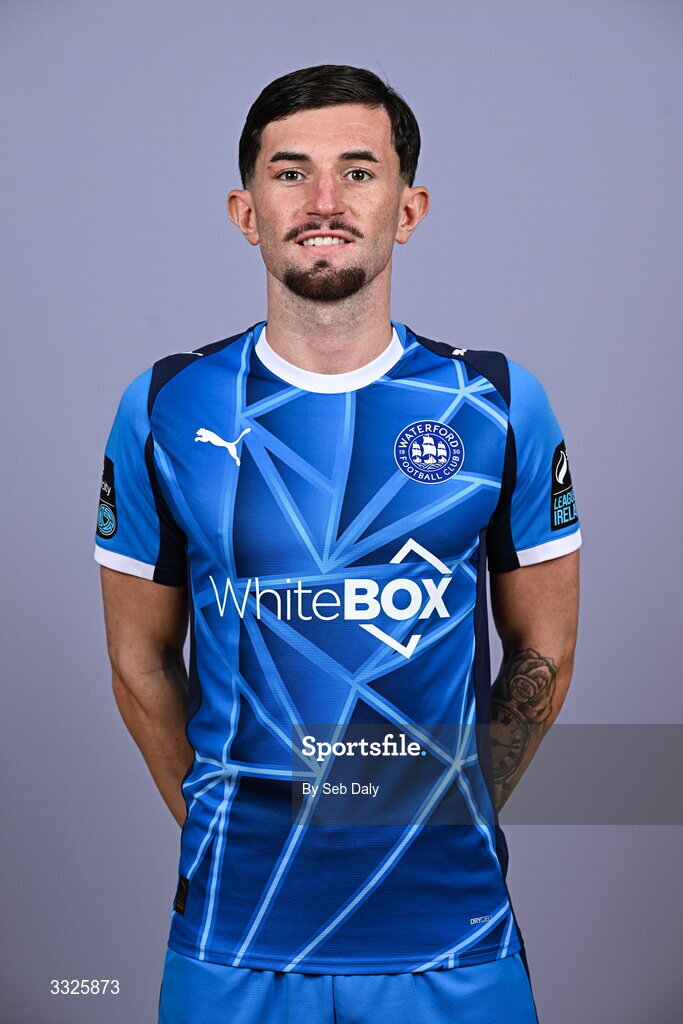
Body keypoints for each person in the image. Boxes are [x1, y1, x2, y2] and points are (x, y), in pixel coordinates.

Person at [94, 64, 581, 1024]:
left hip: (451, 932)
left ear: (409, 207)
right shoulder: (163, 406)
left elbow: (543, 652)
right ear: (245, 210)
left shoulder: (496, 404)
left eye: (359, 172)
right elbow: (136, 660)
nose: (324, 201)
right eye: (290, 173)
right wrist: (217, 824)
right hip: (236, 930)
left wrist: (455, 804)